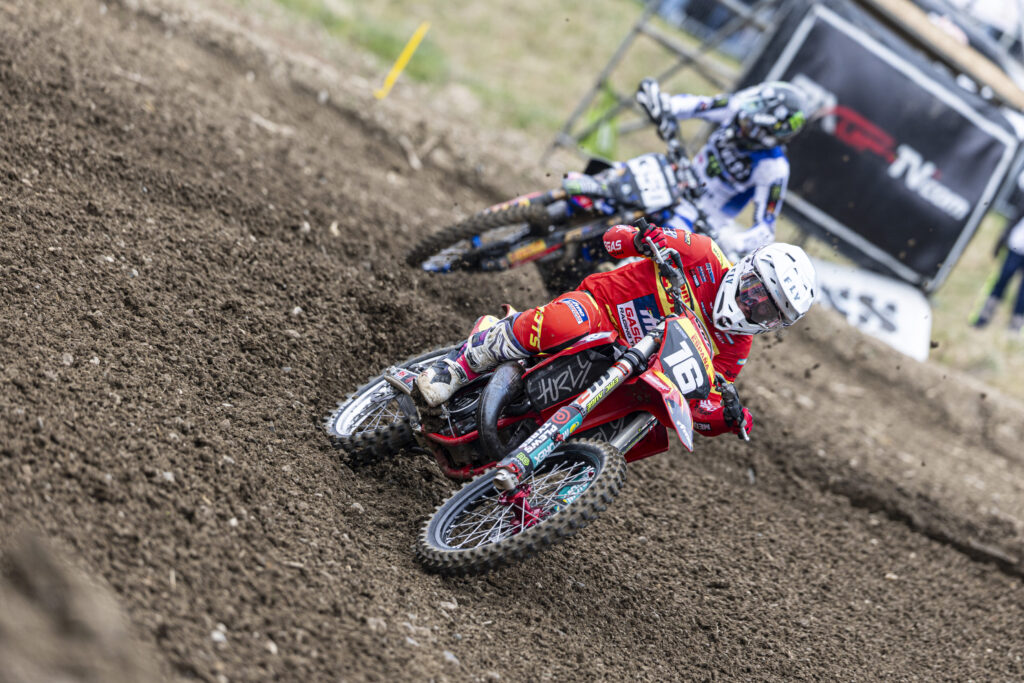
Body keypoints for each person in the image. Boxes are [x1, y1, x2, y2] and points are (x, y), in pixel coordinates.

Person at [415, 221, 817, 438]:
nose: (753, 307)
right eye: (756, 292)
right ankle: (459, 366)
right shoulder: (701, 253)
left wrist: (727, 417)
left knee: (637, 428)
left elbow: (697, 405)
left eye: (768, 312)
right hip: (598, 313)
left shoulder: (736, 349)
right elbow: (611, 240)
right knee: (561, 322)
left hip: (627, 377)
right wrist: (639, 240)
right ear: (746, 268)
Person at [634, 78, 808, 261]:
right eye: (746, 116)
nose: (742, 124)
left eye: (751, 125)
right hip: (674, 182)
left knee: (650, 252)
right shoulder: (737, 108)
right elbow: (696, 105)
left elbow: (765, 230)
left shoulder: (774, 168)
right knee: (623, 180)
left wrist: (733, 242)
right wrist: (663, 105)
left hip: (697, 220)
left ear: (771, 134)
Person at [972, 207, 1024, 333]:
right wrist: (1001, 240)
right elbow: (1015, 218)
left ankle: (1015, 327)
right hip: (1016, 247)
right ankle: (984, 316)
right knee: (1001, 280)